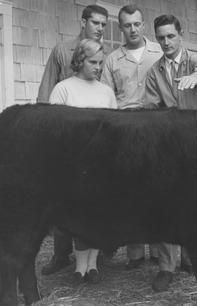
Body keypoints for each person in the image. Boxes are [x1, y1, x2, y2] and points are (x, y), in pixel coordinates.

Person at [37, 4, 109, 276]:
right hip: (67, 139)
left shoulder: (106, 55)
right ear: (83, 22)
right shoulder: (62, 51)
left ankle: (93, 256)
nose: (100, 28)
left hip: (94, 142)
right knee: (63, 200)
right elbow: (47, 95)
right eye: (96, 23)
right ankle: (60, 254)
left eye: (104, 24)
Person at [144, 14, 197, 291]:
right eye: (161, 37)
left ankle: (191, 257)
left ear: (180, 35)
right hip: (168, 148)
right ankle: (165, 266)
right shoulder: (154, 72)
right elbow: (149, 110)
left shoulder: (194, 60)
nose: (166, 42)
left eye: (170, 36)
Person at [49, 39, 117, 284]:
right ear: (79, 60)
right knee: (78, 216)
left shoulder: (106, 92)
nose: (98, 67)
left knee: (97, 215)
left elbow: (113, 131)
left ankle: (93, 265)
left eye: (101, 62)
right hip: (74, 164)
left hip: (101, 164)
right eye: (92, 62)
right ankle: (79, 267)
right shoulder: (64, 88)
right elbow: (54, 130)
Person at [100, 4, 162, 271]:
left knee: (159, 190)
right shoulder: (113, 59)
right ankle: (135, 253)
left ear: (143, 25)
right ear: (121, 27)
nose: (133, 29)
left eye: (137, 24)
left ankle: (161, 251)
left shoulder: (159, 51)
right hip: (125, 129)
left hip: (156, 129)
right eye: (127, 25)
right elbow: (105, 97)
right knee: (131, 191)